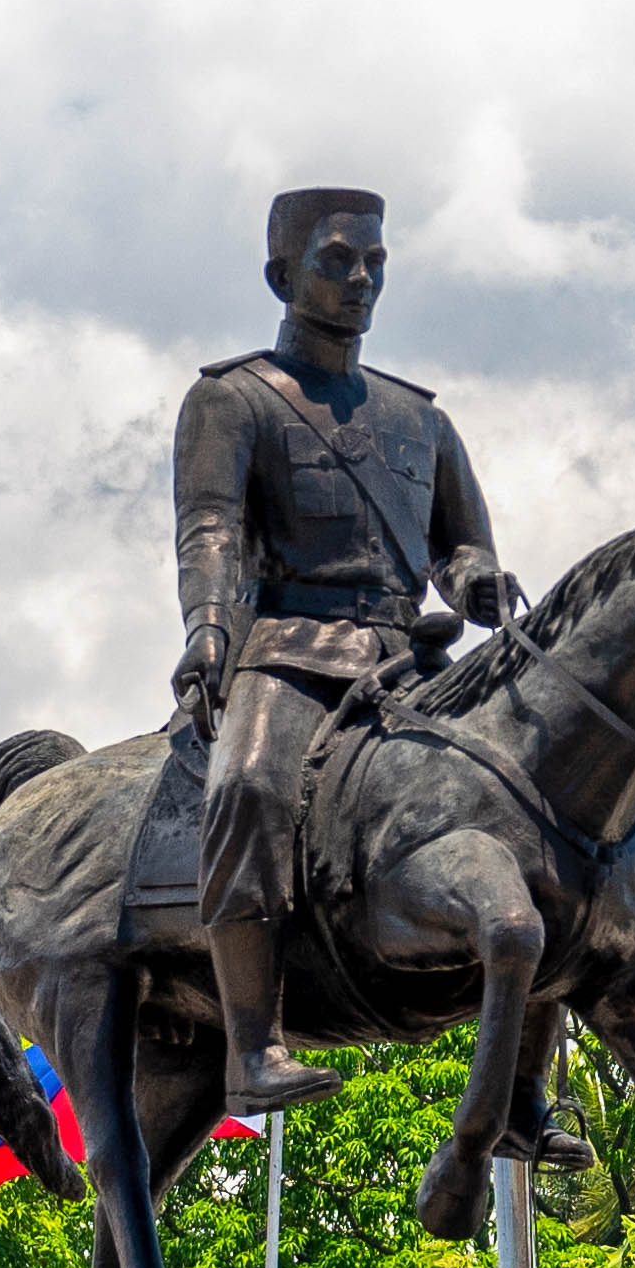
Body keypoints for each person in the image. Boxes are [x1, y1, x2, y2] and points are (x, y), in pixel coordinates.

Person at [156, 186, 511, 1113]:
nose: (361, 280)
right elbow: (211, 533)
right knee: (248, 788)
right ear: (283, 274)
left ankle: (523, 1087)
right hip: (289, 647)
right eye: (338, 261)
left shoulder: (422, 419)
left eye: (375, 264)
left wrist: (475, 580)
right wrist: (207, 634)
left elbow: (462, 545)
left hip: (410, 656)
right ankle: (251, 1046)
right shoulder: (231, 400)